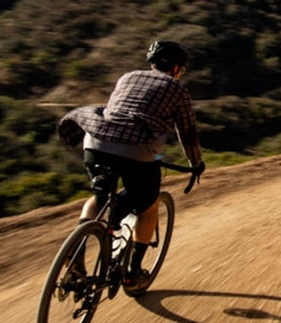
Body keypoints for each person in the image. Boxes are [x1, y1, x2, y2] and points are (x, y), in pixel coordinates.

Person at [57, 40, 205, 292]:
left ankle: (75, 250)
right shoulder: (177, 89)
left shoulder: (127, 77)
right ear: (176, 68)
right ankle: (133, 273)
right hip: (135, 151)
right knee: (149, 204)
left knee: (100, 196)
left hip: (95, 143)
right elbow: (187, 132)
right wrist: (196, 163)